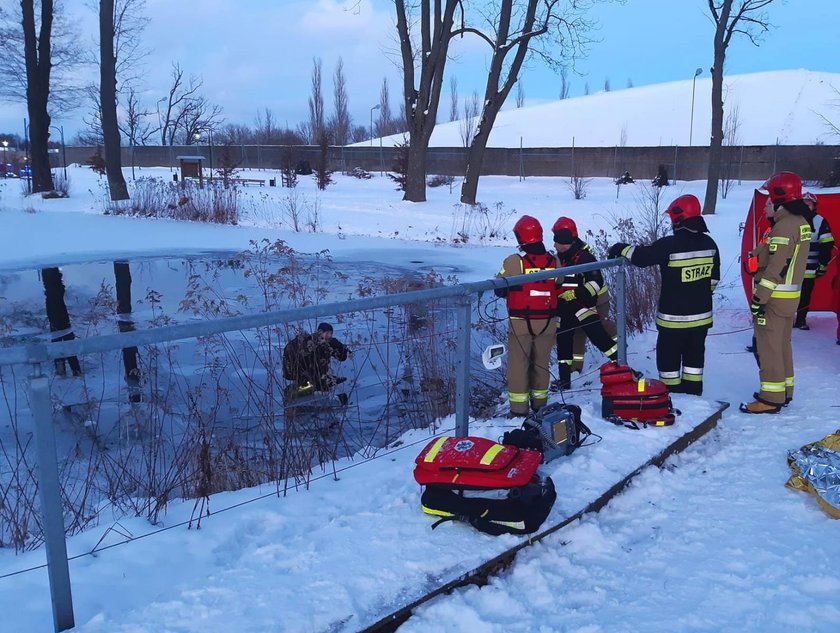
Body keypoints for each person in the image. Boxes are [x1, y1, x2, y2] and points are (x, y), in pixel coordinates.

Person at [608, 194, 720, 396]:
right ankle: (694, 398)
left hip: (673, 321)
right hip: (701, 319)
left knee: (668, 362)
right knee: (694, 362)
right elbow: (713, 281)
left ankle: (672, 398)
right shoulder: (710, 244)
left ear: (678, 217)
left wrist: (620, 248)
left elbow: (641, 257)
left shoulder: (670, 244)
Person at [739, 172, 812, 413]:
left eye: (769, 202)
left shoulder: (783, 227)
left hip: (774, 299)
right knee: (782, 346)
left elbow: (776, 268)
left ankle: (770, 399)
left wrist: (759, 298)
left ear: (780, 200)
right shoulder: (800, 222)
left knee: (768, 348)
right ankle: (784, 391)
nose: (766, 207)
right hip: (789, 299)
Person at [495, 215, 557, 417]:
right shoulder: (553, 260)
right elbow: (560, 282)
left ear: (521, 238)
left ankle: (519, 410)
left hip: (521, 322)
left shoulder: (515, 262)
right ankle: (540, 405)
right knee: (541, 363)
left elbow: (499, 287)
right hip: (548, 321)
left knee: (518, 365)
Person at [551, 216, 617, 391]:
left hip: (585, 306)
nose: (554, 245)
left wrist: (575, 294)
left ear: (564, 240)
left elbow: (595, 283)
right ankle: (566, 380)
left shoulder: (584, 257)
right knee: (564, 343)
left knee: (600, 337)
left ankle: (622, 364)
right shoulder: (561, 257)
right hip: (567, 309)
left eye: (556, 240)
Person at [794, 192, 834, 330]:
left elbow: (827, 244)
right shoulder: (792, 219)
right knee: (788, 295)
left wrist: (822, 264)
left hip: (809, 268)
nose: (805, 206)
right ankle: (786, 321)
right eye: (803, 203)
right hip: (791, 267)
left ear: (814, 205)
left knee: (804, 295)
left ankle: (800, 320)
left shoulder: (820, 221)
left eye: (808, 203)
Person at [282, 322, 349, 396]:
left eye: (331, 333)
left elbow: (341, 357)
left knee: (322, 384)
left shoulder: (326, 344)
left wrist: (341, 348)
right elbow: (305, 350)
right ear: (319, 332)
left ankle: (320, 385)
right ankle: (310, 388)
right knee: (309, 387)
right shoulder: (307, 342)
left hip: (315, 377)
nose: (329, 336)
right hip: (302, 376)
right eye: (327, 333)